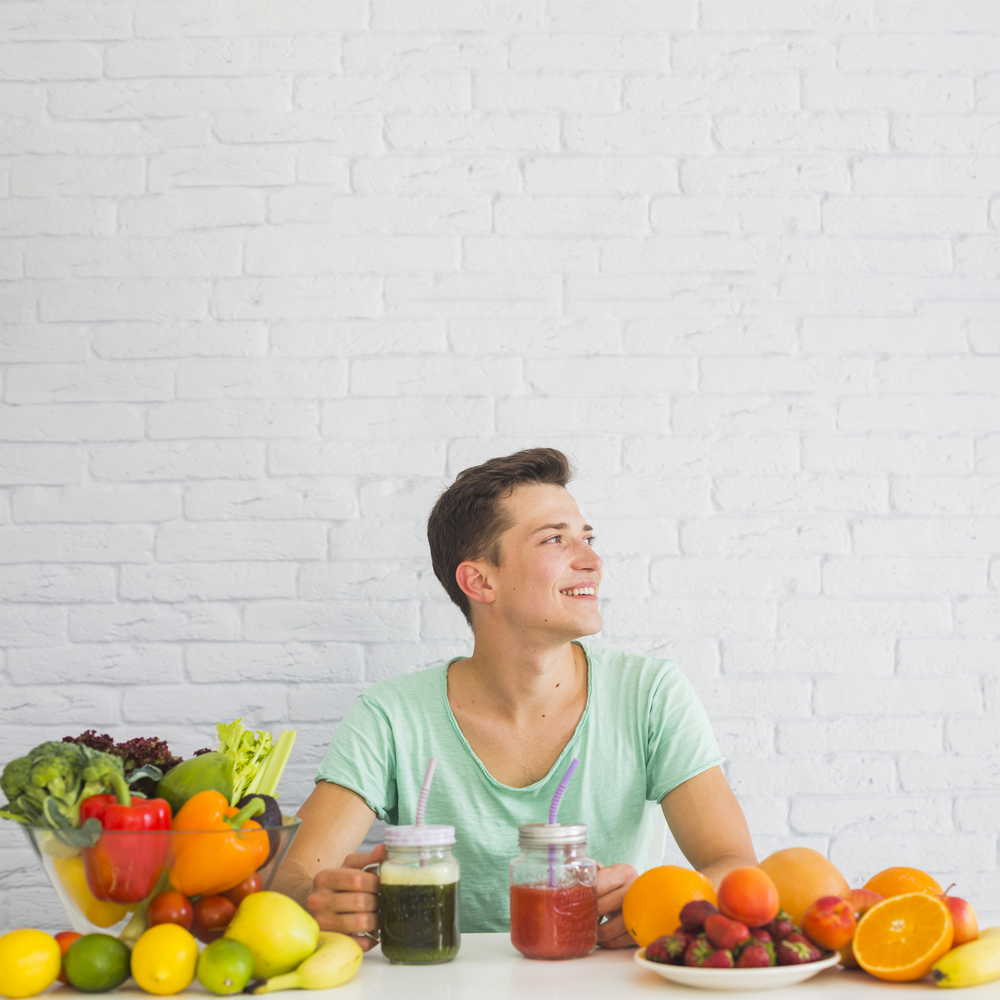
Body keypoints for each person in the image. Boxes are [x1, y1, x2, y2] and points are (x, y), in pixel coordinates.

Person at [273, 447, 757, 950]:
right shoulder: (392, 716)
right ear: (480, 580)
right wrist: (323, 902)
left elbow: (737, 869)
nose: (592, 561)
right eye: (555, 539)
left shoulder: (650, 695)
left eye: (587, 538)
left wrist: (662, 896)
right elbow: (292, 883)